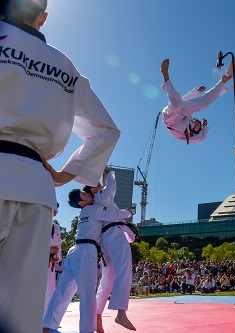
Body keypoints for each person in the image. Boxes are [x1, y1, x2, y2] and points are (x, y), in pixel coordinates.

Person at [0, 1, 120, 332]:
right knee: (21, 312)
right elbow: (106, 132)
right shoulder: (64, 65)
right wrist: (65, 174)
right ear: (43, 18)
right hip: (36, 183)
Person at [43, 189, 132, 333]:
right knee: (88, 295)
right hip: (85, 252)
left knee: (62, 293)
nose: (89, 195)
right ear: (81, 202)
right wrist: (128, 212)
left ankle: (47, 326)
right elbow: (114, 214)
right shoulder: (92, 209)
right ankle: (87, 330)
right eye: (85, 195)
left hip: (74, 252)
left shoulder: (82, 213)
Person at [87, 168, 137, 332]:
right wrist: (106, 169)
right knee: (124, 270)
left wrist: (102, 172)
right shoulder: (101, 198)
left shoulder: (95, 204)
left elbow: (108, 185)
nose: (101, 186)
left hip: (104, 240)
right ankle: (121, 313)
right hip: (115, 235)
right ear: (93, 190)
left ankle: (96, 315)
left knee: (107, 281)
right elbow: (112, 185)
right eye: (98, 185)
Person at [160, 58, 235, 144]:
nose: (197, 122)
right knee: (203, 103)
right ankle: (223, 81)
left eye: (198, 124)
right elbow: (186, 102)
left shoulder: (192, 134)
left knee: (177, 103)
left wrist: (203, 127)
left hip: (170, 121)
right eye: (199, 123)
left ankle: (165, 79)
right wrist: (197, 91)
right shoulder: (190, 119)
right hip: (178, 114)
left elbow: (202, 137)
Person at [44, 203, 62, 316]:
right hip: (38, 261)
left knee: (50, 291)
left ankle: (46, 318)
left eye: (57, 209)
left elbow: (59, 243)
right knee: (38, 289)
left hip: (51, 263)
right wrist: (48, 249)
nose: (55, 211)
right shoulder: (39, 223)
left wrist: (57, 255)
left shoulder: (56, 227)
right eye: (54, 208)